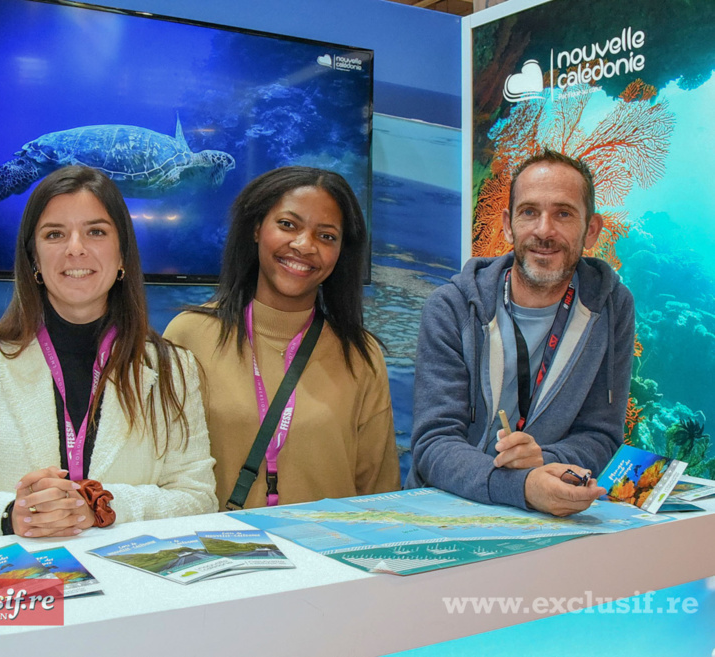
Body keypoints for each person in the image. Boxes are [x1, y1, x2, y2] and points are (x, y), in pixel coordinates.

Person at [0, 166, 217, 541]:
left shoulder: (173, 368)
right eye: (54, 234)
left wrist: (98, 506)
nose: (75, 247)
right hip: (24, 588)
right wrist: (13, 515)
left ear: (123, 254)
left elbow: (197, 497)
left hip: (132, 589)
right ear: (34, 260)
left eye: (96, 231)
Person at [406, 150, 634, 517]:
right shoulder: (451, 306)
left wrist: (544, 459)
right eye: (529, 212)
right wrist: (523, 486)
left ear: (591, 230)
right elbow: (434, 443)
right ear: (508, 225)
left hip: (550, 513)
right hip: (446, 507)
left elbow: (602, 434)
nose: (544, 230)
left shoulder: (612, 307)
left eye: (563, 213)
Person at [164, 166, 400, 510]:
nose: (304, 246)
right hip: (222, 556)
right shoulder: (188, 336)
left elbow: (380, 492)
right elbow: (162, 476)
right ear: (257, 228)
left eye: (327, 236)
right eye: (288, 225)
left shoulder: (360, 355)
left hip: (328, 556)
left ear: (341, 252)